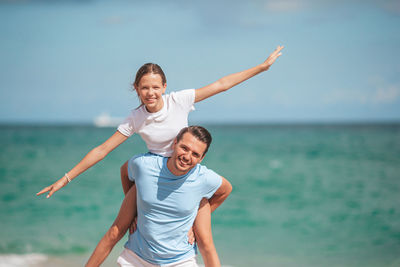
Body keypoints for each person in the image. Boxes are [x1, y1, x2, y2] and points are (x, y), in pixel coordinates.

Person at [37, 46, 284, 266]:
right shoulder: (136, 117)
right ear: (136, 89)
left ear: (164, 87)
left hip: (185, 174)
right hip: (153, 173)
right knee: (115, 232)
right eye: (144, 87)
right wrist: (66, 178)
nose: (150, 92)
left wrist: (262, 68)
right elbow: (103, 151)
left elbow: (221, 84)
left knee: (204, 240)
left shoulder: (179, 100)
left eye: (156, 87)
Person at [86, 126, 232, 267]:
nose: (187, 157)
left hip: (180, 261)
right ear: (175, 143)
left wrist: (194, 220)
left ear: (201, 158)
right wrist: (136, 206)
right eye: (184, 148)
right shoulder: (145, 165)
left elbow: (225, 190)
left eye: (195, 154)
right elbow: (125, 172)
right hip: (136, 259)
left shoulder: (204, 178)